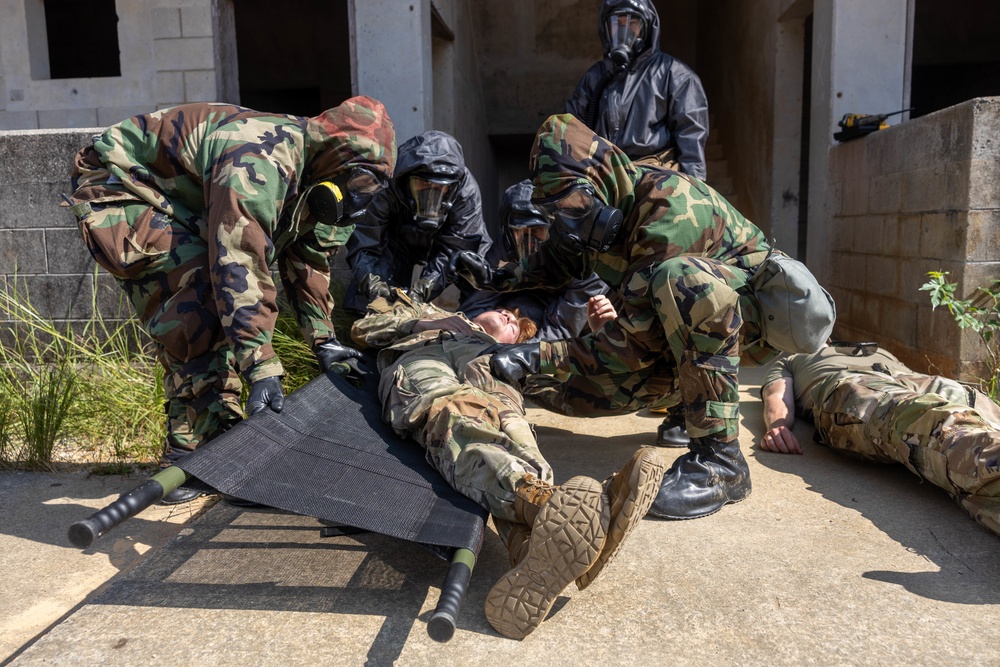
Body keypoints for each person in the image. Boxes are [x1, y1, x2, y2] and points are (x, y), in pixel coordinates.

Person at [449, 113, 781, 522]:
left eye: (573, 204)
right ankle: (685, 403)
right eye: (558, 209)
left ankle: (721, 463)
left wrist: (536, 357)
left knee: (682, 284)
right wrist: (498, 277)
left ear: (600, 179)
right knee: (587, 385)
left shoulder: (669, 211)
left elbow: (629, 350)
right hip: (687, 330)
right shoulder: (591, 207)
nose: (568, 216)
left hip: (752, 325)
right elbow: (555, 261)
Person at [66, 97, 396, 504]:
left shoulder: (321, 184)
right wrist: (261, 364)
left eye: (372, 188)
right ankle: (193, 456)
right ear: (333, 156)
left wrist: (323, 340)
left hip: (185, 202)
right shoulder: (259, 159)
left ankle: (221, 442)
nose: (359, 197)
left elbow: (308, 262)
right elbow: (237, 260)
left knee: (216, 298)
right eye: (359, 182)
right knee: (197, 301)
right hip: (120, 186)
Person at [350, 289, 669, 639]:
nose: (509, 318)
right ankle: (562, 508)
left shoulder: (516, 364)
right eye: (504, 312)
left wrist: (600, 337)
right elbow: (363, 328)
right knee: (455, 416)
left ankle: (533, 542)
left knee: (522, 443)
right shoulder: (432, 316)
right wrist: (427, 321)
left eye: (516, 327)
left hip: (498, 391)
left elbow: (589, 391)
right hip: (428, 362)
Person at [759, 341, 1000, 537]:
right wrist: (778, 426)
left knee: (976, 404)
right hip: (850, 384)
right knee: (925, 418)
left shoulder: (877, 349)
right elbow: (776, 396)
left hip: (911, 378)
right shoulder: (791, 357)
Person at [344, 130, 491, 312]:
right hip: (397, 240)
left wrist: (423, 290)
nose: (431, 196)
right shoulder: (386, 182)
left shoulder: (465, 191)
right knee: (370, 292)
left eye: (440, 188)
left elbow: (459, 246)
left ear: (452, 188)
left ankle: (475, 326)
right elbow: (366, 240)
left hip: (447, 241)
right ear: (406, 179)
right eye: (422, 184)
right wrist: (372, 284)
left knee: (477, 266)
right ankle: (367, 324)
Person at [566, 0, 709, 179]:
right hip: (604, 174)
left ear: (647, 28)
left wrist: (695, 188)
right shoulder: (596, 77)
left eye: (632, 23)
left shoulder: (676, 75)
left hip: (655, 176)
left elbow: (691, 138)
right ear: (606, 29)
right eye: (617, 23)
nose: (624, 30)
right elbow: (571, 129)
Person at [459, 180, 612, 342]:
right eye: (522, 232)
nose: (530, 242)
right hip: (517, 309)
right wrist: (472, 333)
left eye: (537, 231)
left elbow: (562, 327)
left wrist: (515, 354)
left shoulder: (584, 259)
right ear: (509, 231)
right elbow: (476, 304)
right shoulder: (505, 248)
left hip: (569, 317)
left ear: (556, 227)